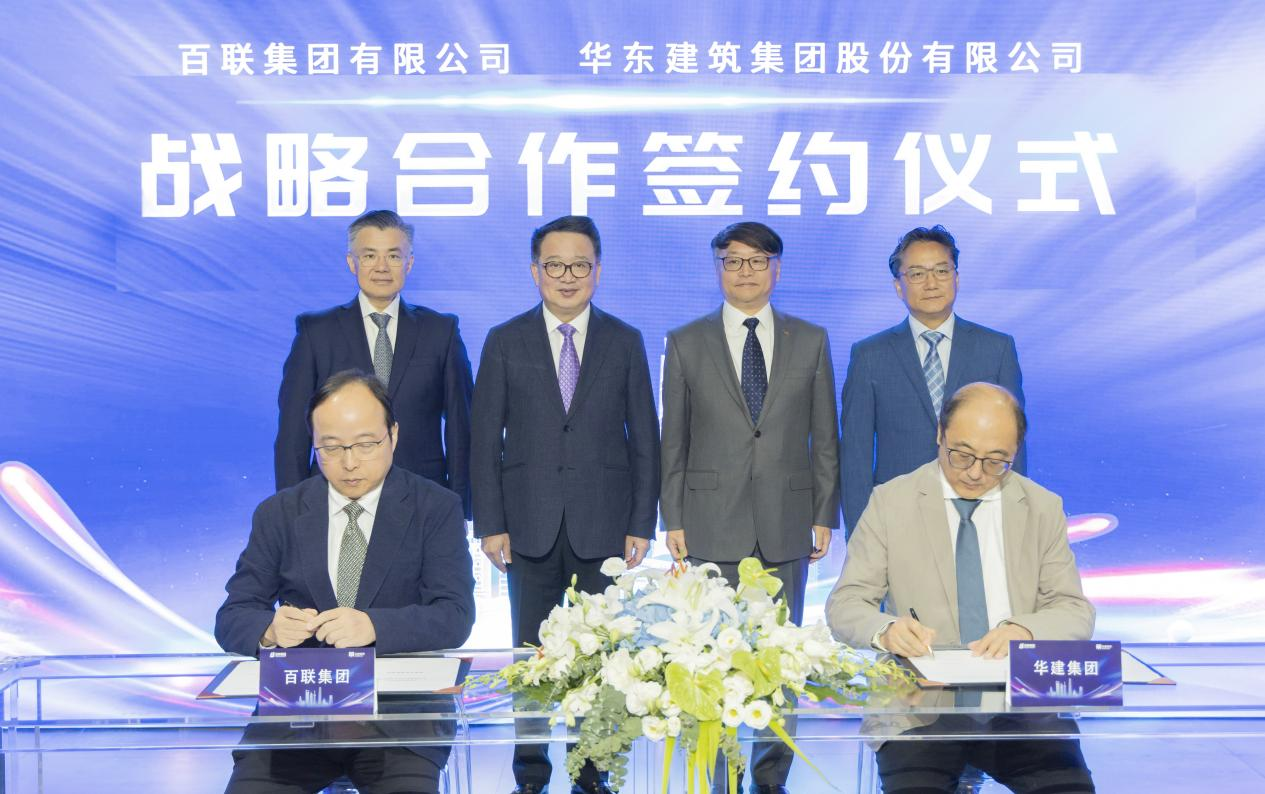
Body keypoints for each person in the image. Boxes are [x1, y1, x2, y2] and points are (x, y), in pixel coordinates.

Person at [827, 382, 1095, 793]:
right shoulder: (891, 501)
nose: (974, 472)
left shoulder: (1041, 507)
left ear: (1015, 452)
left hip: (1022, 706)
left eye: (995, 461)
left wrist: (1024, 630)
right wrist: (886, 630)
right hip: (919, 707)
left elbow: (1074, 610)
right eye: (962, 454)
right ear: (940, 434)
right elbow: (845, 604)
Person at [217, 370, 476, 794]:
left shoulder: (435, 508)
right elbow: (232, 616)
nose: (350, 462)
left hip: (399, 720)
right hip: (298, 713)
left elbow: (454, 615)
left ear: (393, 435)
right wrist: (269, 630)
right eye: (332, 448)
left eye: (365, 444)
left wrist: (373, 626)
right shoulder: (279, 514)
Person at [470, 215, 659, 794]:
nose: (568, 276)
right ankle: (530, 773)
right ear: (535, 272)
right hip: (527, 526)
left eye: (580, 264)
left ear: (598, 271)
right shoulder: (505, 340)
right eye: (555, 265)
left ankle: (593, 770)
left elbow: (644, 438)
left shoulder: (625, 340)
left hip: (604, 526)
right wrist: (490, 523)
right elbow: (484, 439)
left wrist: (642, 521)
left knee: (602, 660)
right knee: (532, 660)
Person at [659, 221, 839, 794]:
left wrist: (824, 512)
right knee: (712, 662)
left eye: (757, 261)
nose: (745, 272)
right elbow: (673, 440)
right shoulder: (686, 341)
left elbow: (824, 436)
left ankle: (770, 778)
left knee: (780, 660)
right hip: (710, 522)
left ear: (776, 270)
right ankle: (720, 777)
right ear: (718, 268)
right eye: (733, 261)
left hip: (787, 522)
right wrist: (673, 517)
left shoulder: (810, 339)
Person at [274, 209, 474, 518]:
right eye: (369, 256)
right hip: (335, 498)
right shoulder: (316, 332)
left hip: (422, 500)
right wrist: (291, 513)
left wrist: (458, 508)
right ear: (351, 262)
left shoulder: (441, 331)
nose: (382, 267)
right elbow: (292, 434)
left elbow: (462, 430)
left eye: (393, 256)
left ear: (409, 263)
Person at [839, 225, 1024, 537]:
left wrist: (1013, 522)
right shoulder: (869, 355)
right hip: (898, 518)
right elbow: (855, 455)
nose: (931, 283)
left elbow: (1013, 443)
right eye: (917, 274)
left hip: (979, 514)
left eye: (941, 270)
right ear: (899, 286)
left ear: (956, 278)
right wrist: (861, 537)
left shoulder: (996, 348)